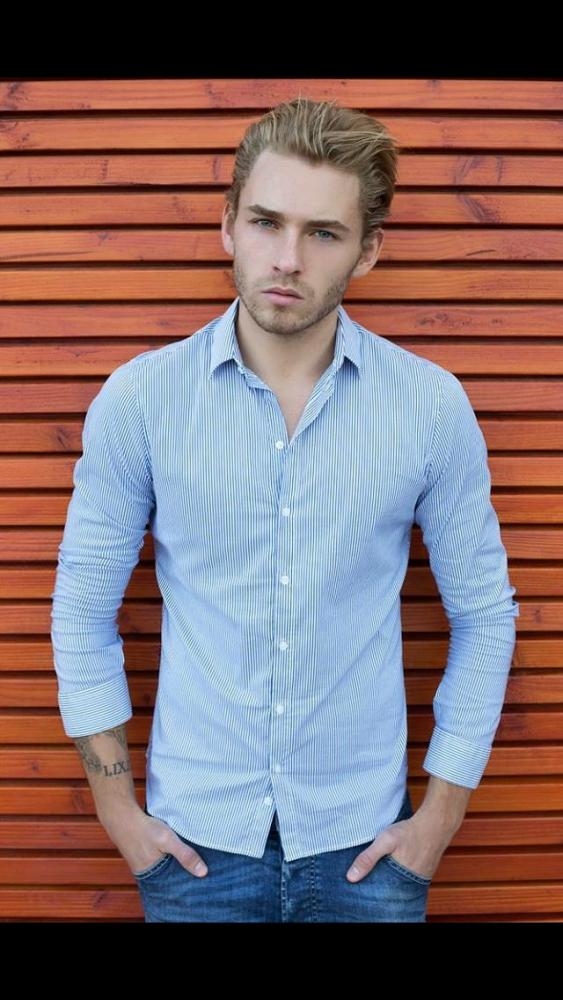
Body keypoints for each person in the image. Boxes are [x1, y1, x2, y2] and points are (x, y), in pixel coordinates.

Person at [51, 97, 519, 923]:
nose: (287, 259)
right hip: (193, 852)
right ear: (228, 223)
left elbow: (483, 616)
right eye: (266, 222)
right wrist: (117, 811)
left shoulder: (427, 408)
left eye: (323, 233)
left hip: (367, 852)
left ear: (367, 250)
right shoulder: (142, 402)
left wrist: (438, 821)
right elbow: (83, 611)